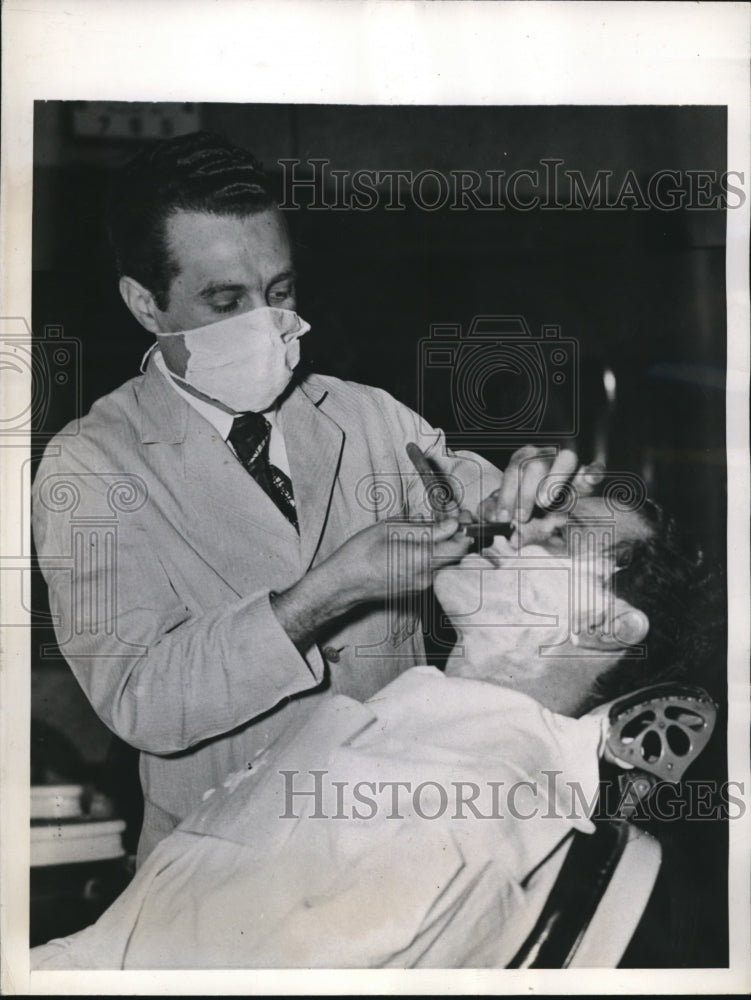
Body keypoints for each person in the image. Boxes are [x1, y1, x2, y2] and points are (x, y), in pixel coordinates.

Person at [32, 131, 604, 863]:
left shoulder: (368, 416)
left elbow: (507, 519)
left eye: (279, 292)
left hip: (399, 845)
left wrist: (540, 490)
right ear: (146, 304)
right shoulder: (92, 463)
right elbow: (143, 696)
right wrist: (325, 591)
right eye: (225, 301)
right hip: (223, 870)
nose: (266, 325)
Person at [30, 495, 721, 969]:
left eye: (560, 537)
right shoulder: (414, 726)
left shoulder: (473, 794)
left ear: (606, 625)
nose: (512, 531)